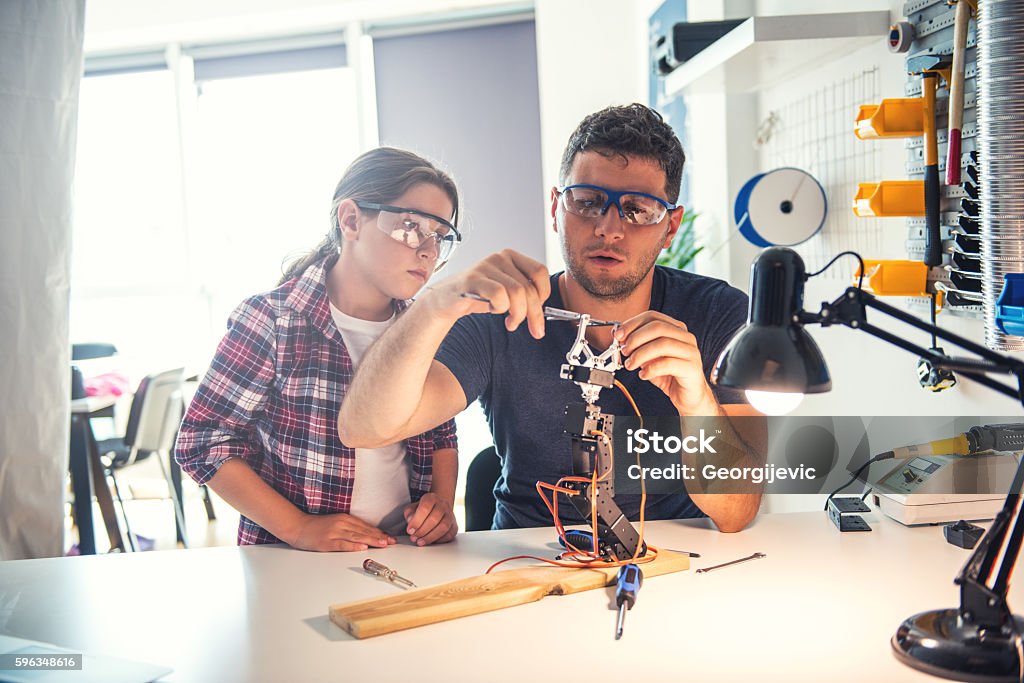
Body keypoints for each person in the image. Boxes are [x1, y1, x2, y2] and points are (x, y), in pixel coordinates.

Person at [339, 105, 761, 533]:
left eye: (637, 209)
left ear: (670, 228)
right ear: (557, 208)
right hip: (528, 562)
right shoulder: (499, 318)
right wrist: (435, 303)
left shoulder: (716, 315)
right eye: (588, 202)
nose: (608, 229)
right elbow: (367, 428)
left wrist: (696, 403)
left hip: (676, 561)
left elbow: (737, 513)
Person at [175, 147, 462, 551]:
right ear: (350, 220)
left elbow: (440, 433)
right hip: (290, 558)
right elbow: (203, 442)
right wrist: (298, 527)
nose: (429, 251)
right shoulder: (272, 320)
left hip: (402, 551)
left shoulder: (424, 327)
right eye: (412, 226)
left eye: (440, 237)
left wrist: (441, 506)